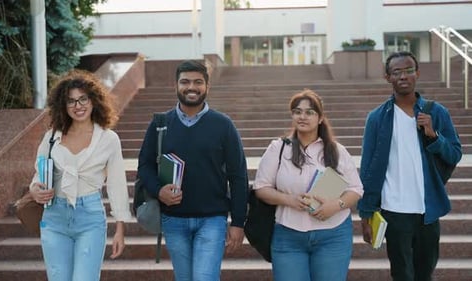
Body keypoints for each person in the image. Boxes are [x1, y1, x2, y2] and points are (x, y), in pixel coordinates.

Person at [137, 60, 249, 281]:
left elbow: (238, 176)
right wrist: (159, 191)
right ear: (176, 86)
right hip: (173, 219)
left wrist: (238, 222)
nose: (191, 87)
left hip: (212, 219)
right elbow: (145, 166)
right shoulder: (160, 123)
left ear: (207, 86)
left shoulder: (223, 124)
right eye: (185, 82)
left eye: (198, 82)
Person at [357, 51, 462, 281]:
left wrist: (434, 136)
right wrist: (365, 212)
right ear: (388, 77)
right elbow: (367, 167)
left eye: (408, 70)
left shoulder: (436, 112)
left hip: (428, 209)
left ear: (417, 73)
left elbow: (455, 154)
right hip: (393, 210)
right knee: (402, 274)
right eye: (397, 72)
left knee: (425, 273)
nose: (403, 76)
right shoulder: (377, 118)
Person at [29, 70, 132, 281]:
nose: (78, 106)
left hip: (90, 218)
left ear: (93, 100)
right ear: (63, 106)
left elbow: (117, 185)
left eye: (83, 99)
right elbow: (39, 173)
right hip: (54, 219)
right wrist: (34, 189)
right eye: (71, 101)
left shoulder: (108, 139)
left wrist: (120, 228)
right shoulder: (51, 137)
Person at [253, 89, 364, 281]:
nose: (302, 116)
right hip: (288, 235)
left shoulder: (337, 151)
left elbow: (356, 189)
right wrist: (289, 200)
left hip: (333, 235)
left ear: (320, 118)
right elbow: (261, 187)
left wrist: (335, 206)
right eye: (297, 111)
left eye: (309, 112)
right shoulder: (278, 148)